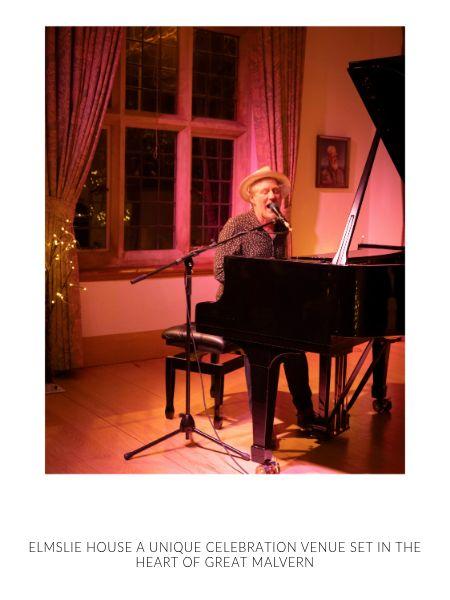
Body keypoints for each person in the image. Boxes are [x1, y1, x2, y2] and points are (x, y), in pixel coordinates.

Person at [214, 165, 316, 430]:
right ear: (252, 197)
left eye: (276, 191)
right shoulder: (237, 225)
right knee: (261, 346)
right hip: (236, 308)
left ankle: (306, 413)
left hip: (271, 309)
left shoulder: (281, 227)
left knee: (296, 342)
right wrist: (258, 288)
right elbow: (220, 270)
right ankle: (262, 426)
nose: (273, 196)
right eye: (265, 191)